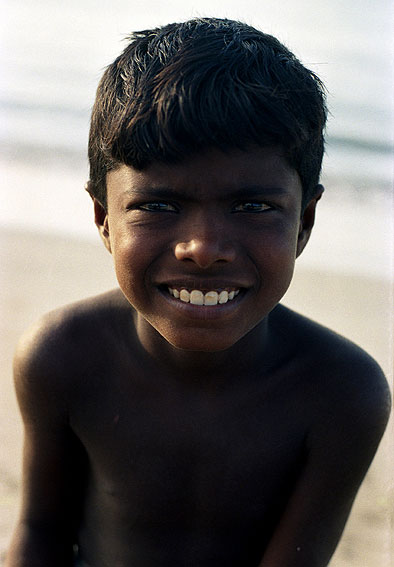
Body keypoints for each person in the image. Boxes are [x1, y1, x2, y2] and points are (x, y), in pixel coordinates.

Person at [6, 17, 391, 567]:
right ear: (103, 218)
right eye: (158, 205)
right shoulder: (61, 356)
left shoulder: (342, 392)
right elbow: (40, 532)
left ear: (304, 223)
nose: (203, 248)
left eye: (253, 206)